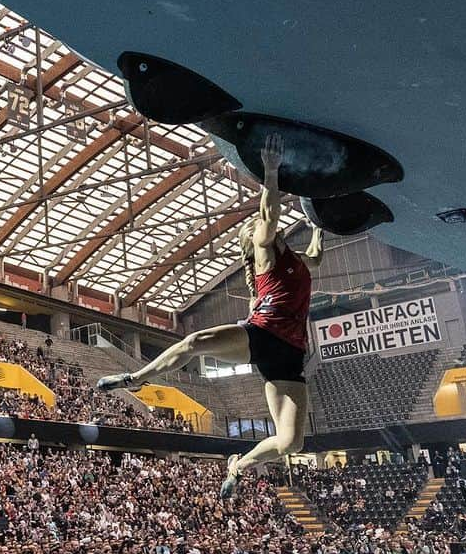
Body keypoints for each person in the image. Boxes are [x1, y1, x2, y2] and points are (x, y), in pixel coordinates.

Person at [97, 135, 322, 498]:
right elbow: (269, 213)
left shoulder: (295, 261)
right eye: (255, 229)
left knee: (291, 443)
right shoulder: (265, 254)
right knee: (194, 343)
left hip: (291, 357)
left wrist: (320, 227)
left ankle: (240, 464)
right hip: (261, 336)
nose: (261, 227)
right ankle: (137, 377)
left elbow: (315, 258)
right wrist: (270, 171)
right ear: (254, 241)